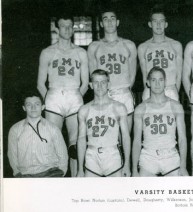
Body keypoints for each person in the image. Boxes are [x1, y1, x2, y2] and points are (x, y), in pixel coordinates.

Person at [37, 15, 89, 177]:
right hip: (54, 96)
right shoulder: (47, 52)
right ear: (56, 29)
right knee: (52, 143)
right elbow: (40, 84)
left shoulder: (80, 52)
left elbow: (85, 83)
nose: (67, 29)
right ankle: (55, 181)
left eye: (70, 26)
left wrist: (74, 97)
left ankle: (75, 179)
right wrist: (51, 100)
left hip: (74, 96)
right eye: (63, 26)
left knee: (75, 144)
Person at [132, 67, 188, 177]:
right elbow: (137, 141)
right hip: (148, 156)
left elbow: (182, 139)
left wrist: (183, 166)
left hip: (170, 155)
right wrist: (134, 169)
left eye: (161, 80)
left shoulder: (175, 106)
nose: (157, 84)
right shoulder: (141, 108)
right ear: (148, 83)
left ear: (165, 82)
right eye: (153, 80)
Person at [88, 8, 137, 132]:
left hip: (124, 93)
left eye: (112, 18)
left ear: (118, 22)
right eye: (105, 19)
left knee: (125, 136)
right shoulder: (94, 47)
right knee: (106, 134)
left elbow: (132, 74)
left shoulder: (129, 45)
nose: (109, 22)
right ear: (101, 24)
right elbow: (93, 76)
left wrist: (124, 89)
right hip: (104, 94)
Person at [76, 69, 131, 177]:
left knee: (117, 193)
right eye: (96, 82)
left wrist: (127, 164)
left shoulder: (119, 107)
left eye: (103, 82)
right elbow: (81, 139)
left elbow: (125, 137)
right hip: (92, 156)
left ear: (108, 84)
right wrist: (80, 169)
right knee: (90, 193)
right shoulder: (84, 110)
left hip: (112, 155)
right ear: (91, 85)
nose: (100, 86)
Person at [8, 91, 68, 177]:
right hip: (25, 175)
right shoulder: (15, 129)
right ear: (24, 108)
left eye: (37, 104)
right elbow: (12, 154)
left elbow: (62, 154)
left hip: (50, 173)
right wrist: (17, 173)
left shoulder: (53, 128)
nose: (33, 108)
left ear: (43, 107)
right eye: (29, 105)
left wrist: (61, 173)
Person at [138, 8, 183, 101]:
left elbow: (179, 74)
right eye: (155, 21)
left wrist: (175, 91)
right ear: (150, 24)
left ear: (166, 24)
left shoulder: (176, 45)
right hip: (151, 90)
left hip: (170, 88)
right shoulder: (143, 47)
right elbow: (144, 75)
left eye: (161, 21)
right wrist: (148, 90)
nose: (158, 25)